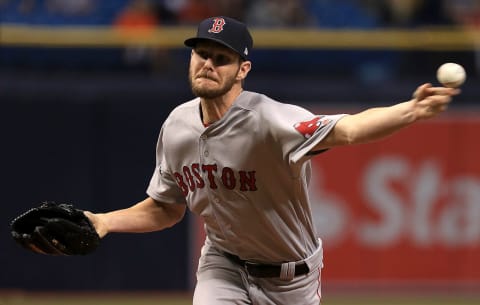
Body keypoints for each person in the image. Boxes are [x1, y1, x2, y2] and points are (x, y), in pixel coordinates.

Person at [84, 16, 459, 305]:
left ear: (241, 70)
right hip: (223, 264)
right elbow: (166, 208)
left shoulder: (272, 121)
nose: (208, 64)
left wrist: (411, 110)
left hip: (291, 280)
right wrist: (103, 221)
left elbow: (349, 129)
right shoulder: (177, 125)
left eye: (221, 58)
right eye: (201, 54)